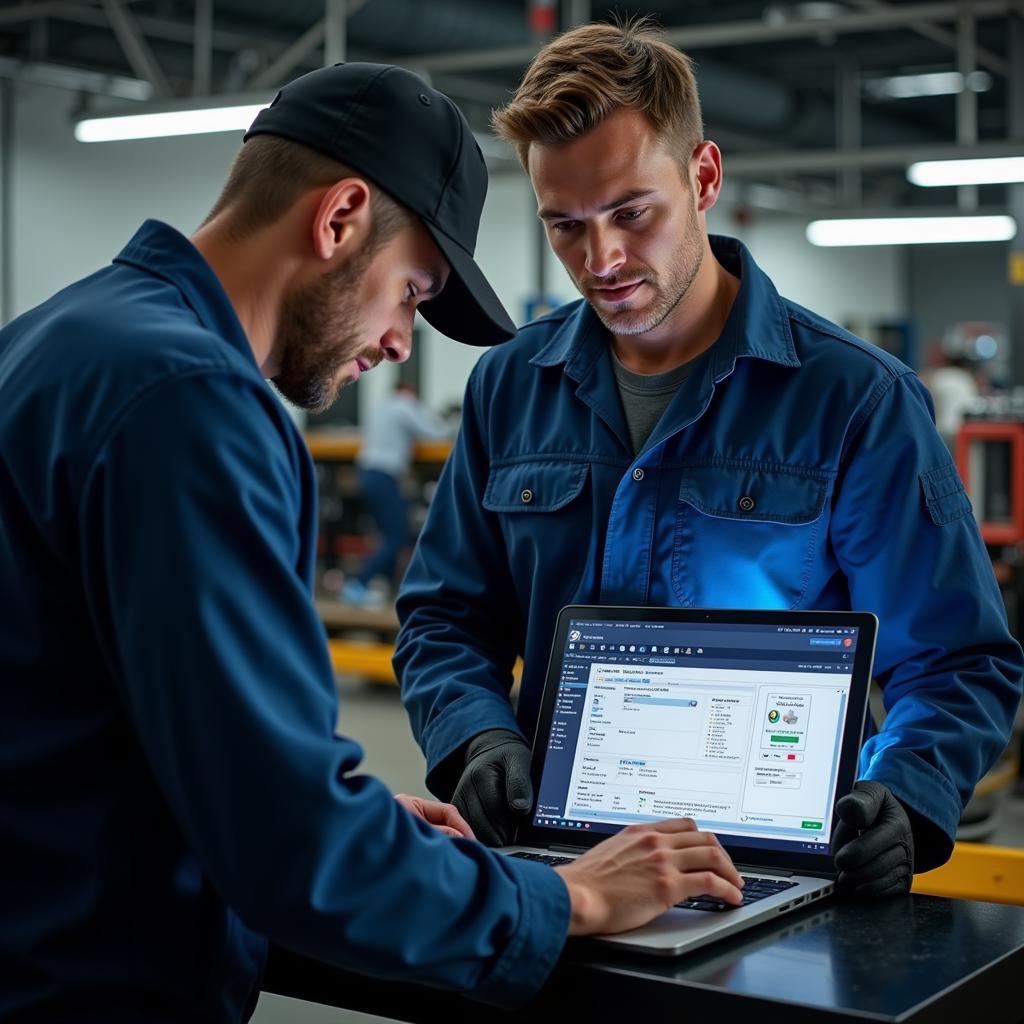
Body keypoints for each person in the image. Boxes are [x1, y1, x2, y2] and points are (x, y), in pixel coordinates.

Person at [0, 63, 747, 1021]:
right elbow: (288, 849)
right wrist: (572, 896)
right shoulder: (192, 401)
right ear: (340, 216)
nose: (401, 342)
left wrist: (351, 818)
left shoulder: (62, 339)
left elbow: (92, 722)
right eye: (411, 290)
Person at [395, 20, 1024, 899]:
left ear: (704, 178)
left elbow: (956, 658)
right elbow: (445, 618)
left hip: (769, 871)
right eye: (565, 226)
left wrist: (907, 794)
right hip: (555, 870)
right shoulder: (509, 387)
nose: (601, 259)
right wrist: (477, 737)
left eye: (631, 213)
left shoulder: (854, 401)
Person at [342, 381, 452, 607]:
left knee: (384, 534)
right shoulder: (404, 404)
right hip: (384, 475)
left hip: (366, 473)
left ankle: (381, 587)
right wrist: (454, 425)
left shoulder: (380, 406)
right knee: (397, 535)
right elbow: (434, 433)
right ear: (409, 392)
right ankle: (358, 585)